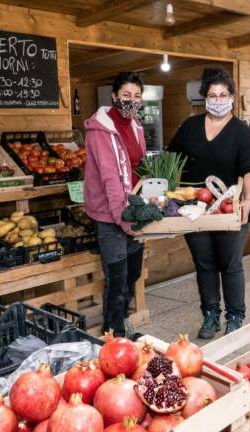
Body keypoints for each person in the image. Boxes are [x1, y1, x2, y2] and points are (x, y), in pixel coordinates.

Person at [168, 67, 250, 339]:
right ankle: (210, 315)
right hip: (194, 209)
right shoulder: (190, 127)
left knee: (230, 264)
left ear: (232, 97)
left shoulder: (242, 132)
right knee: (204, 263)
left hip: (230, 209)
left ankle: (235, 316)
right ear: (204, 98)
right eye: (212, 94)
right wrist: (169, 193)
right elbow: (171, 160)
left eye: (223, 94)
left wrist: (249, 201)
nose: (218, 100)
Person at [83, 72, 146, 337]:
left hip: (133, 211)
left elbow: (139, 168)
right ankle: (114, 336)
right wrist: (125, 219)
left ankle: (120, 327)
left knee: (132, 275)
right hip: (111, 216)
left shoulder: (137, 126)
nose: (131, 101)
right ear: (114, 96)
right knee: (117, 280)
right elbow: (111, 178)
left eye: (137, 96)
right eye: (126, 95)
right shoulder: (100, 131)